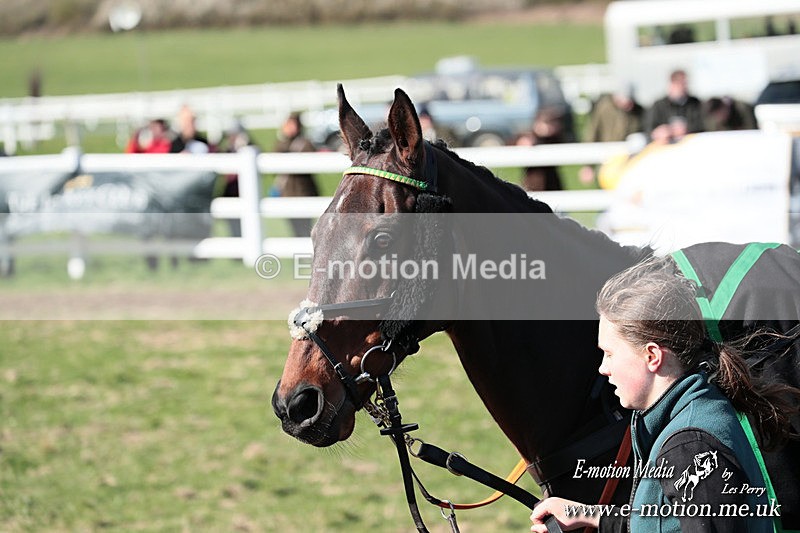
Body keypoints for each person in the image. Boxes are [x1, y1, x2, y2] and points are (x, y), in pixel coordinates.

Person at [530, 255, 799, 533]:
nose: (603, 368)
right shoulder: (693, 411)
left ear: (652, 356)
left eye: (609, 354)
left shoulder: (691, 445)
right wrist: (590, 514)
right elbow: (669, 521)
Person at [579, 88, 644, 185]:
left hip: (629, 162)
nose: (629, 105)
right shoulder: (604, 108)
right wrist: (588, 165)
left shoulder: (638, 111)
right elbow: (592, 133)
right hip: (606, 159)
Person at [273, 112, 319, 237]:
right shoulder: (282, 144)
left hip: (303, 192)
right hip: (287, 194)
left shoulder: (305, 143)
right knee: (294, 231)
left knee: (305, 229)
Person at [217, 121, 258, 237]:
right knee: (234, 232)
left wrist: (245, 146)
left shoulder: (249, 147)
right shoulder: (227, 150)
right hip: (231, 195)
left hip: (245, 195)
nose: (231, 138)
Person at [518, 106, 571, 192]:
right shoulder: (529, 137)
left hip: (552, 183)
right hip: (533, 183)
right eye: (547, 123)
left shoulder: (556, 139)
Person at [644, 69, 704, 140]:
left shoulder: (695, 103)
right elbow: (648, 128)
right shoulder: (658, 105)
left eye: (685, 84)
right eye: (680, 84)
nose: (684, 87)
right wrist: (658, 133)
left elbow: (702, 124)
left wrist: (686, 129)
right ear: (672, 84)